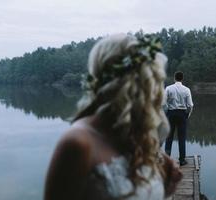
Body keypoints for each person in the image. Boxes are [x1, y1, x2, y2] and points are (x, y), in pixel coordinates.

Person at [44, 34, 182, 200]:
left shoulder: (141, 138)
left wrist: (166, 188)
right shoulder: (78, 144)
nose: (156, 90)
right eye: (151, 81)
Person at [164, 71, 194, 166]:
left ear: (174, 78)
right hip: (182, 115)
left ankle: (167, 160)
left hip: (171, 114)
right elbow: (190, 105)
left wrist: (166, 113)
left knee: (169, 138)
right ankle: (182, 160)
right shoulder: (186, 90)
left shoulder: (168, 88)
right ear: (182, 78)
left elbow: (163, 103)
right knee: (182, 138)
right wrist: (187, 115)